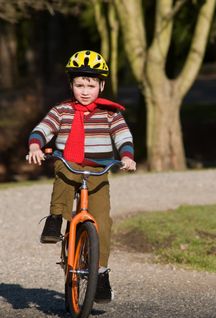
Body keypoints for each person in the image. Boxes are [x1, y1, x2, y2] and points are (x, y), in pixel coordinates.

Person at [27, 50, 136, 303]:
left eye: (90, 85)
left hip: (98, 170)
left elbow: (123, 136)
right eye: (79, 85)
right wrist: (35, 145)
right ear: (71, 85)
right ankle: (55, 218)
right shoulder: (62, 110)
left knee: (103, 222)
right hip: (69, 164)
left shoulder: (110, 113)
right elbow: (43, 128)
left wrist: (127, 156)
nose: (85, 91)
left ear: (102, 85)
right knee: (63, 172)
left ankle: (101, 273)